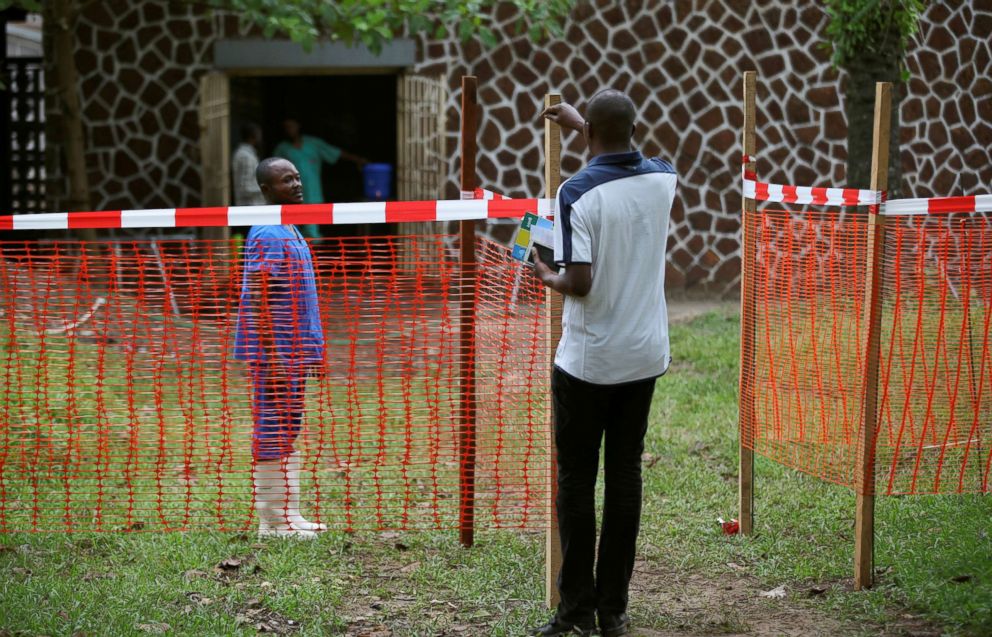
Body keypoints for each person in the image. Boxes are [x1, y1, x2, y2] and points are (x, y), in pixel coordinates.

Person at [530, 90, 678, 637]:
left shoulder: (574, 194)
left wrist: (545, 275)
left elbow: (580, 283)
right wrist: (587, 129)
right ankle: (613, 610)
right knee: (624, 476)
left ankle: (575, 612)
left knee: (575, 479)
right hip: (645, 356)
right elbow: (633, 158)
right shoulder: (665, 179)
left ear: (588, 130)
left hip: (589, 363)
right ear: (634, 128)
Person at [233, 157, 327, 540]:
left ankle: (290, 514)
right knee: (272, 426)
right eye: (286, 180)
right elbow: (257, 295)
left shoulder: (289, 226)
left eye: (298, 176)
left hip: (296, 349)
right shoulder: (268, 231)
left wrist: (313, 351)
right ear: (267, 189)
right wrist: (270, 354)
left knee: (288, 425)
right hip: (274, 351)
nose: (297, 183)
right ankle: (272, 522)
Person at [274, 117, 367, 239]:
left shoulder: (313, 143)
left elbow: (336, 153)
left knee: (313, 232)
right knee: (291, 233)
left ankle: (313, 255)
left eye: (291, 126)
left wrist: (359, 160)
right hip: (290, 195)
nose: (289, 130)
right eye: (286, 128)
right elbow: (273, 170)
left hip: (312, 194)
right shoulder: (282, 148)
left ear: (298, 126)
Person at [232, 123, 266, 206]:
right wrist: (266, 188)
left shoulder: (247, 154)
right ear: (252, 136)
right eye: (259, 135)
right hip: (249, 206)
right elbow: (245, 187)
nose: (260, 138)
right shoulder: (245, 156)